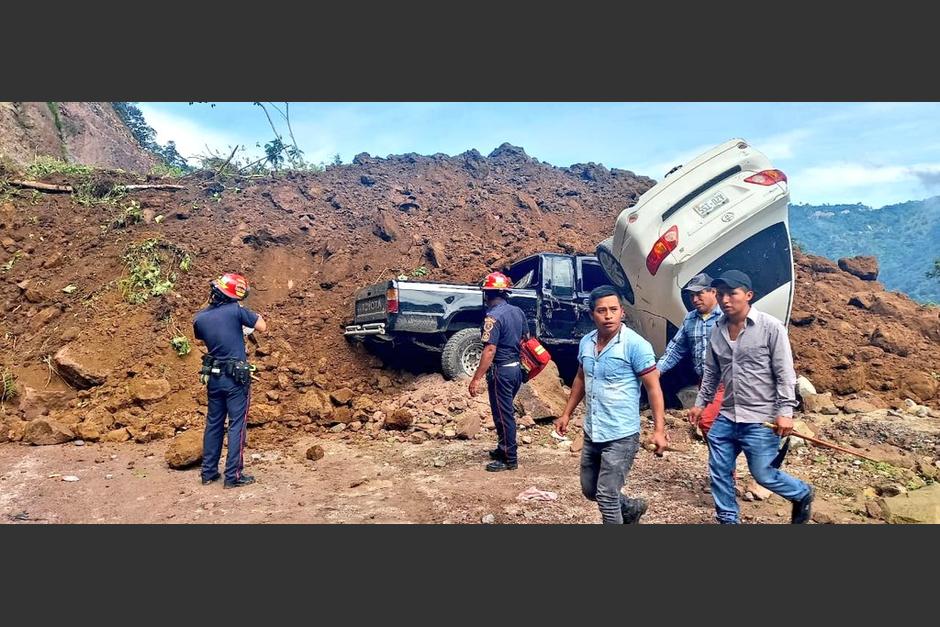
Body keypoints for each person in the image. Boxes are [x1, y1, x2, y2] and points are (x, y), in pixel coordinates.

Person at [690, 270, 814, 524]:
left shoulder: (771, 328)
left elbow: (784, 374)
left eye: (732, 294)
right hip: (727, 416)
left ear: (748, 295)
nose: (725, 300)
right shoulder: (717, 331)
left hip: (761, 418)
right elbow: (712, 374)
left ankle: (802, 493)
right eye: (720, 294)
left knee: (763, 475)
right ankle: (728, 519)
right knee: (719, 471)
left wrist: (786, 413)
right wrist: (700, 404)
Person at [555, 285, 668, 524]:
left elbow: (653, 387)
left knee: (606, 496)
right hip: (593, 431)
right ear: (591, 314)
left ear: (622, 312)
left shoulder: (636, 345)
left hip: (621, 434)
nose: (608, 315)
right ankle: (631, 508)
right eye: (602, 310)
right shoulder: (586, 342)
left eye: (613, 309)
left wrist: (659, 430)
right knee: (590, 489)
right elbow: (580, 378)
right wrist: (566, 414)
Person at [193, 272, 267, 489]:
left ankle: (208, 473)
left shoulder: (200, 318)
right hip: (235, 380)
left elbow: (206, 335)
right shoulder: (236, 311)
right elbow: (262, 326)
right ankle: (233, 476)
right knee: (236, 425)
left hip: (214, 378)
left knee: (214, 423)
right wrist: (243, 318)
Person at [468, 271, 528, 472]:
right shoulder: (518, 312)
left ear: (487, 294)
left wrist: (476, 378)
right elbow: (525, 338)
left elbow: (490, 349)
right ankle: (503, 448)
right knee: (504, 412)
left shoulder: (492, 317)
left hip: (501, 372)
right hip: (515, 371)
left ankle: (509, 459)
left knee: (503, 415)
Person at [656, 272, 724, 437]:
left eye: (699, 294)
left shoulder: (726, 316)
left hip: (726, 381)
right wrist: (657, 370)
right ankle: (721, 457)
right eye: (692, 295)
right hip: (704, 382)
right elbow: (676, 348)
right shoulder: (690, 319)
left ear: (713, 292)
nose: (695, 299)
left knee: (707, 422)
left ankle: (725, 457)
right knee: (712, 422)